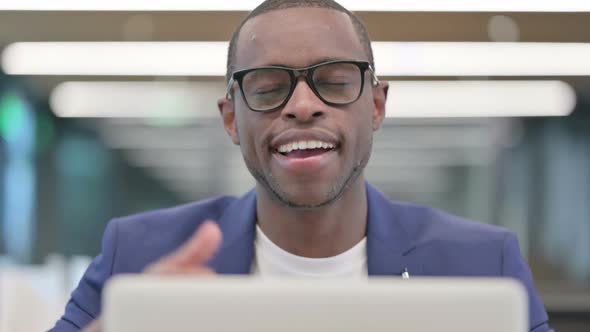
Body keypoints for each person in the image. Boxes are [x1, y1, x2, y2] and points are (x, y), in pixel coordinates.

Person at [50, 1, 553, 331]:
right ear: (230, 119)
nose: (303, 105)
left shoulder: (485, 266)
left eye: (334, 81)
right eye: (268, 88)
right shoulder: (137, 257)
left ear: (376, 106)